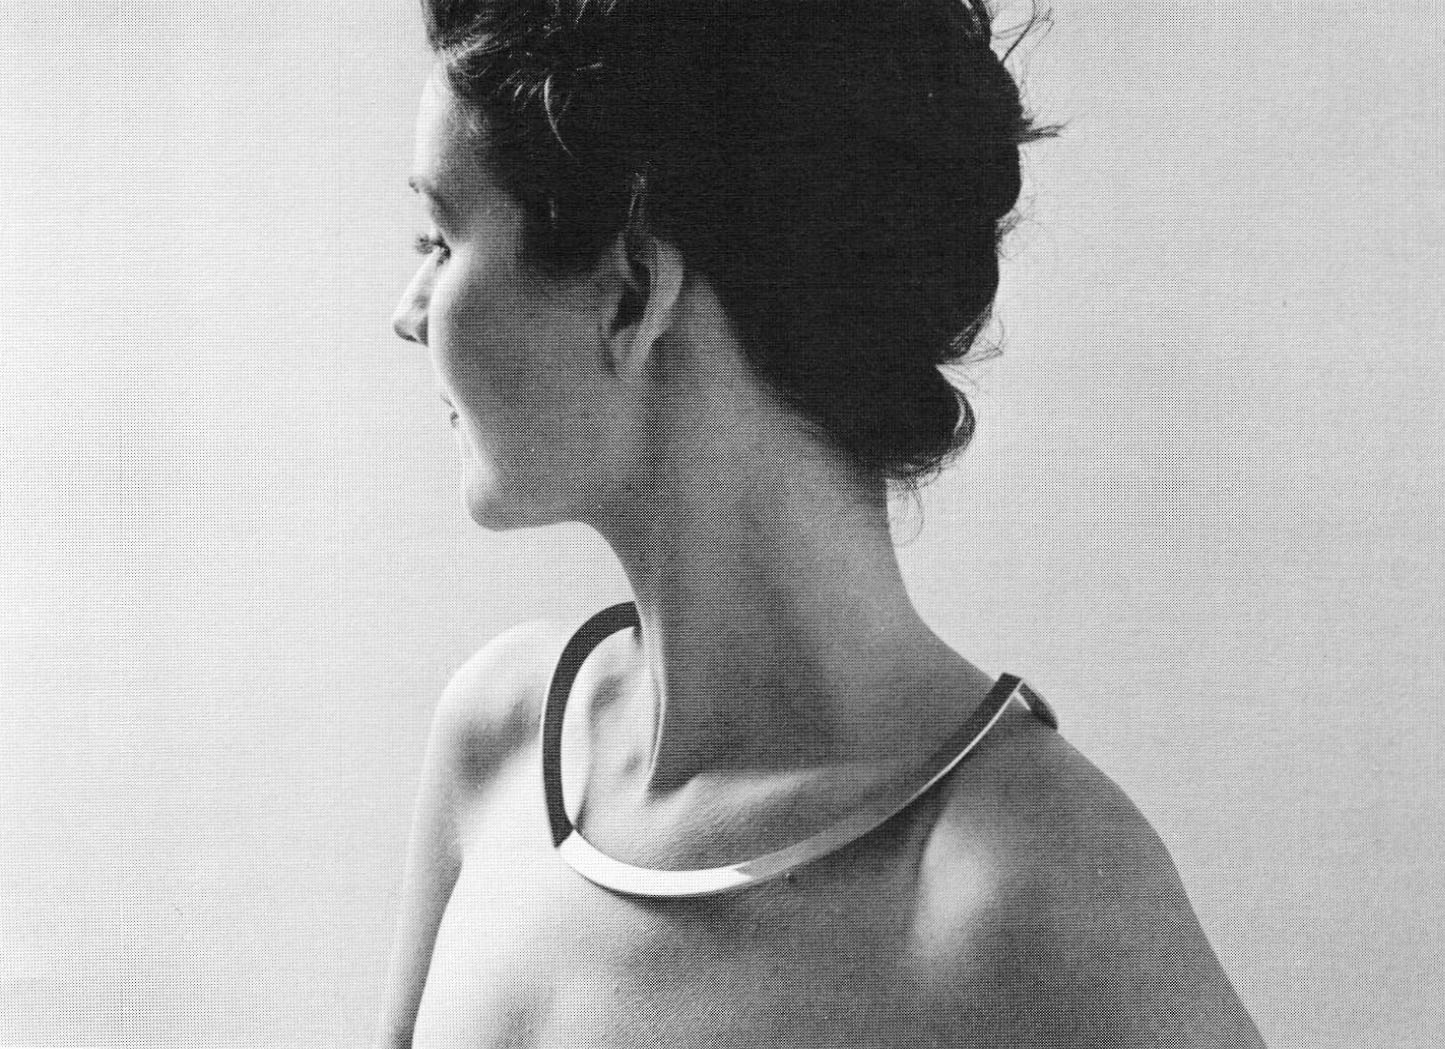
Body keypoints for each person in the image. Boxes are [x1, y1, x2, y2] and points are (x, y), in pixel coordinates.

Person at [378, 1, 1266, 1045]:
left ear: (630, 293)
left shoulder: (1025, 889)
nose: (409, 310)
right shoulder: (500, 737)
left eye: (441, 238)